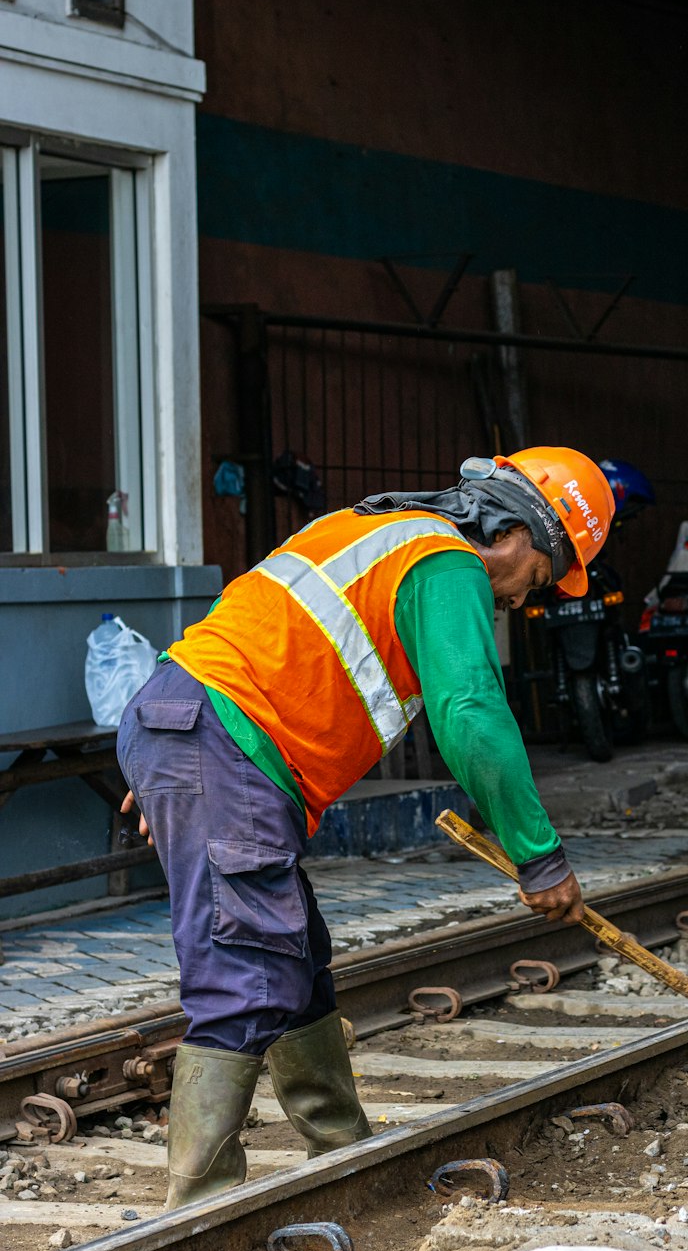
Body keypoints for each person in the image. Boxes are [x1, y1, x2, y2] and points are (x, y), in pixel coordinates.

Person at [117, 447, 616, 1208]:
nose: (522, 601)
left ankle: (343, 1154)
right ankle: (196, 1214)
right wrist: (539, 858)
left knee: (298, 959)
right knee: (247, 972)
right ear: (517, 533)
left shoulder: (373, 525)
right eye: (539, 580)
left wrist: (172, 765)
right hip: (221, 740)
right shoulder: (446, 564)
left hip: (190, 722)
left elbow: (252, 633)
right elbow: (470, 713)